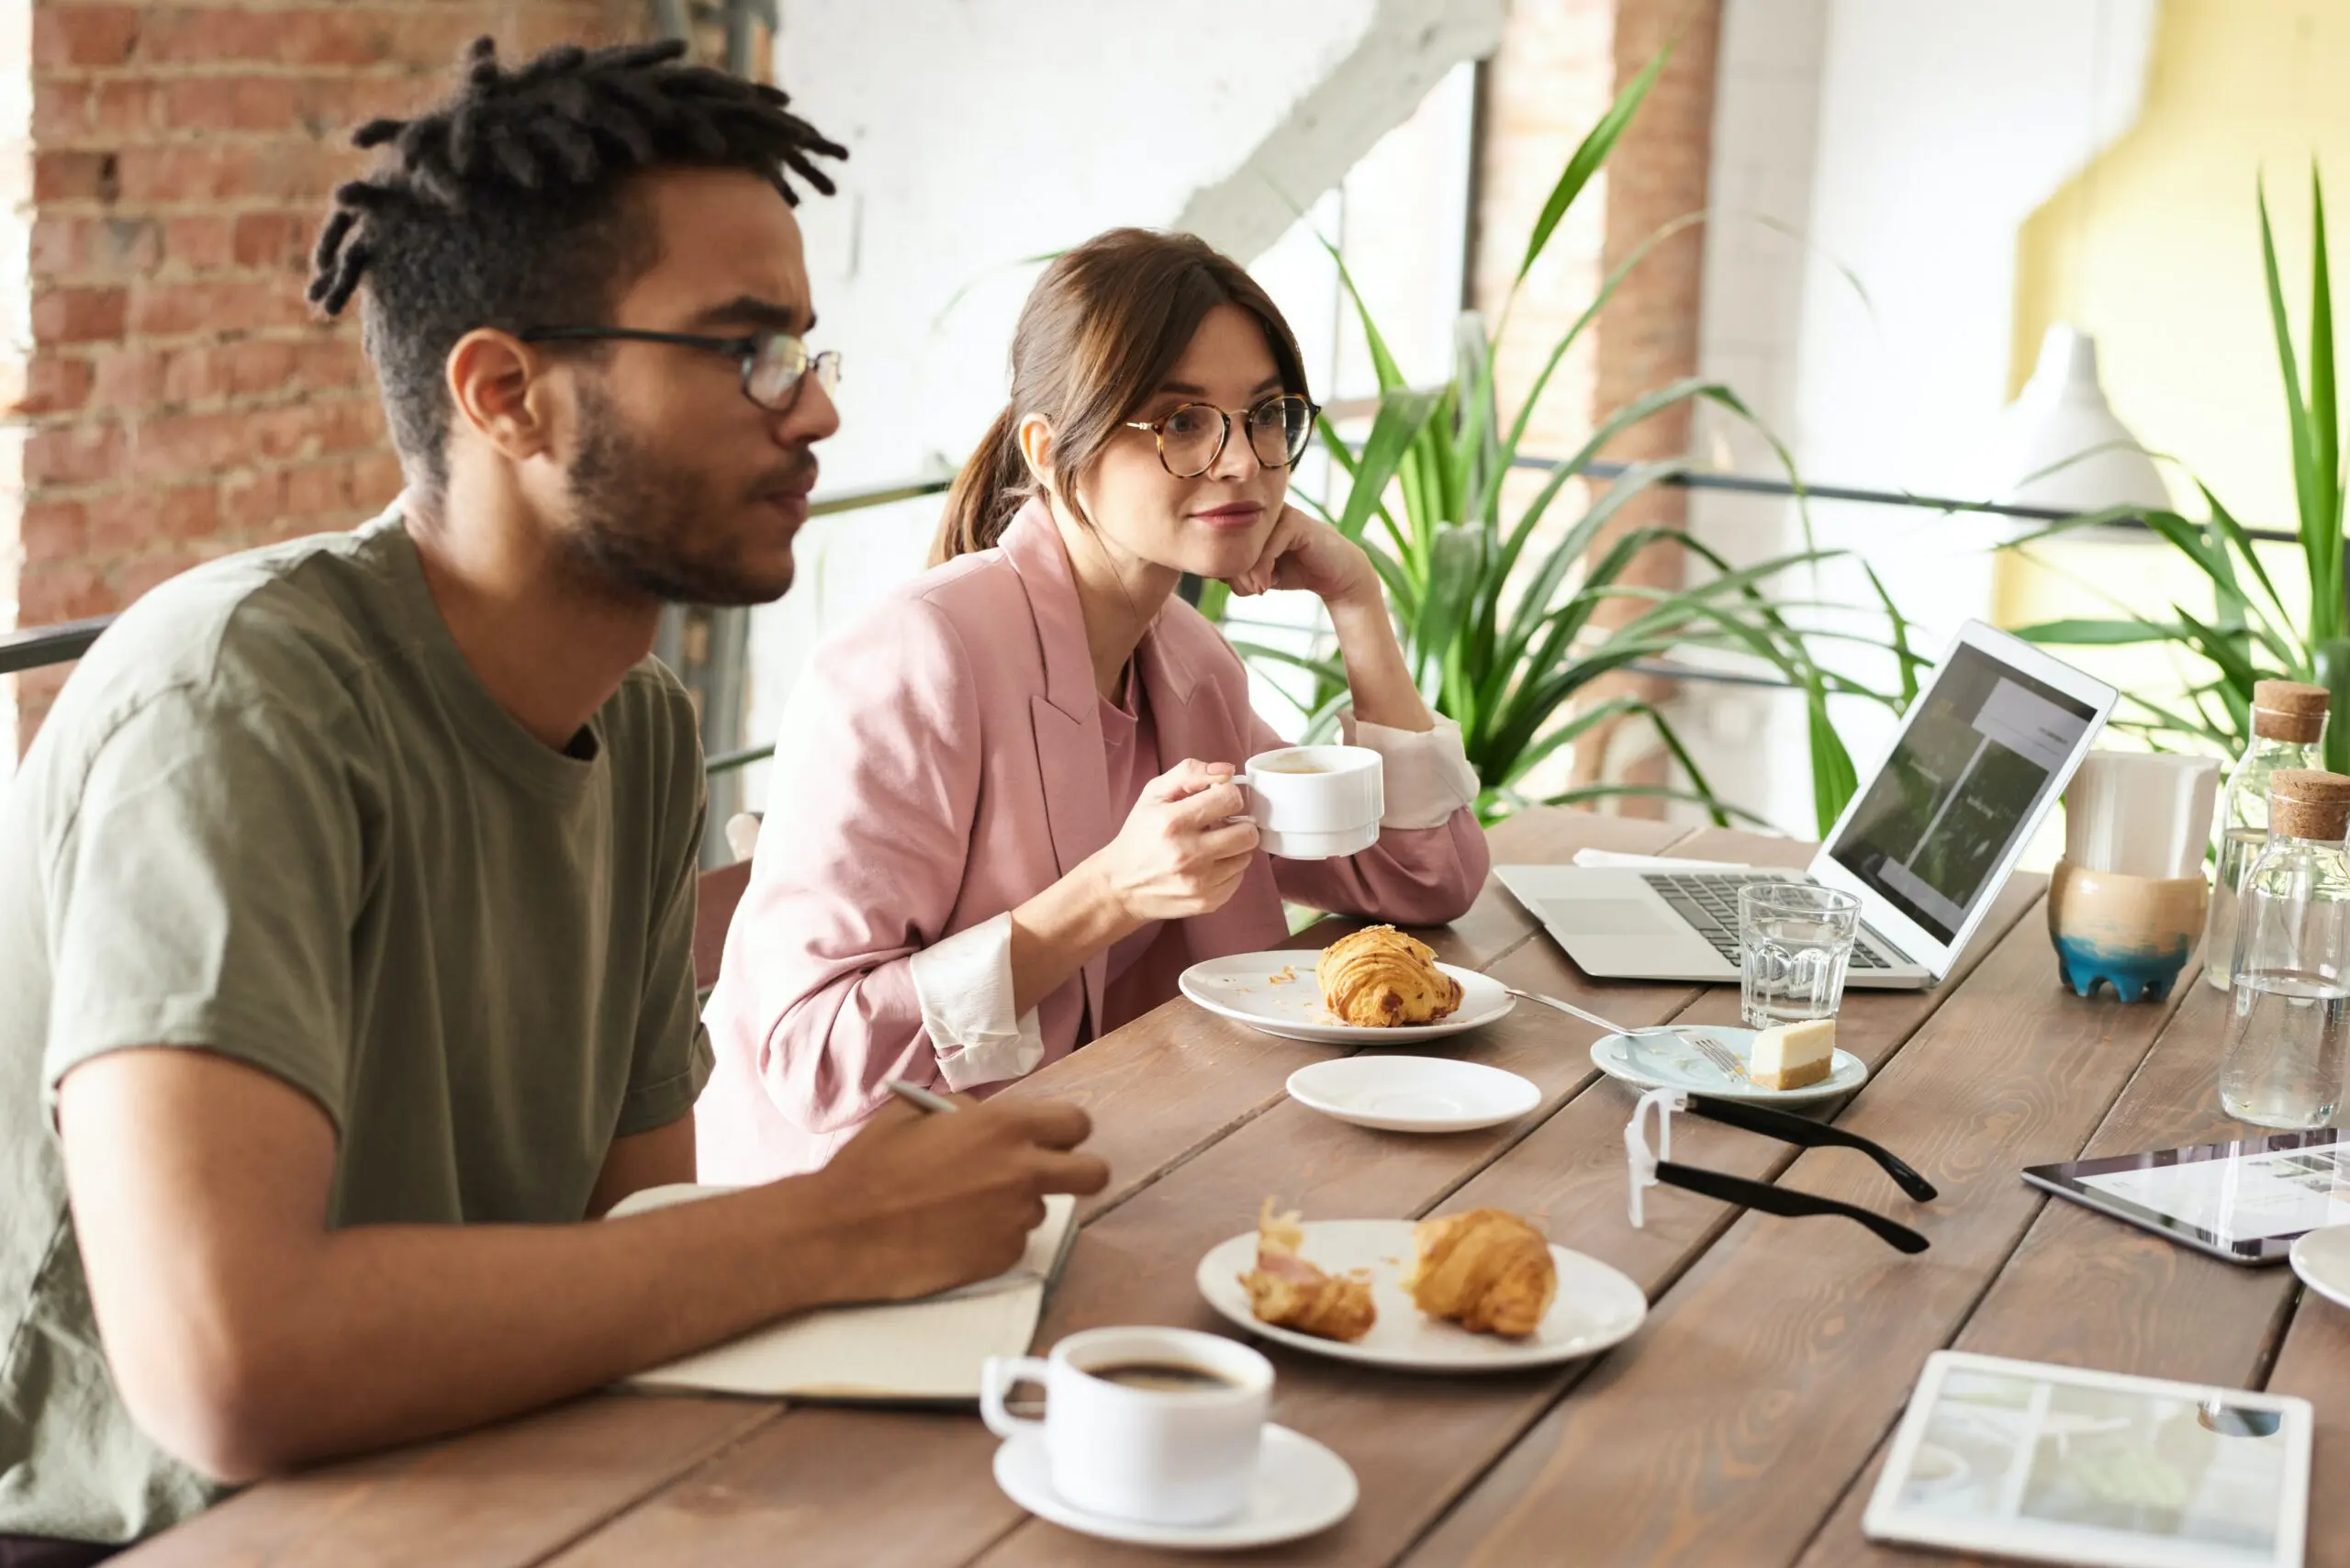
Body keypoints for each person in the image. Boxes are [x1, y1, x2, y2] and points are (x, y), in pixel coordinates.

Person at [0, 39, 1106, 1563]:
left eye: (808, 350)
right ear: (506, 394)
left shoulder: (639, 726)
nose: (816, 417)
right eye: (747, 350)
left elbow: (631, 1244)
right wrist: (831, 1227)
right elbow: (226, 1362)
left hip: (480, 1473)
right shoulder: (239, 699)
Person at [699, 229, 1492, 1182]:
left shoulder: (1189, 665)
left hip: (1113, 1164)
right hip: (856, 1220)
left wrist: (1358, 605)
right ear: (1048, 450)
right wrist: (1108, 894)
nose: (1243, 461)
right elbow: (818, 1058)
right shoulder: (915, 658)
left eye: (1265, 414)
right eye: (1182, 422)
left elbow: (1425, 882)